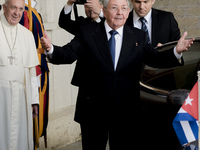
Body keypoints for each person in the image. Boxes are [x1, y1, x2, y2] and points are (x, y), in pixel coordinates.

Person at [41, 0, 194, 149]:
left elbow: (154, 58)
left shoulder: (138, 36)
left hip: (125, 111)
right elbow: (68, 53)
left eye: (123, 8)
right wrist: (51, 49)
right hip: (93, 111)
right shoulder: (88, 32)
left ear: (128, 12)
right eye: (114, 7)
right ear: (105, 10)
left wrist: (176, 51)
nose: (120, 12)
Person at [0, 0, 39, 149]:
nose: (17, 13)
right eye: (13, 8)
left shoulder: (27, 35)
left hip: (22, 96)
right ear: (4, 7)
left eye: (21, 9)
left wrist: (34, 100)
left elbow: (31, 72)